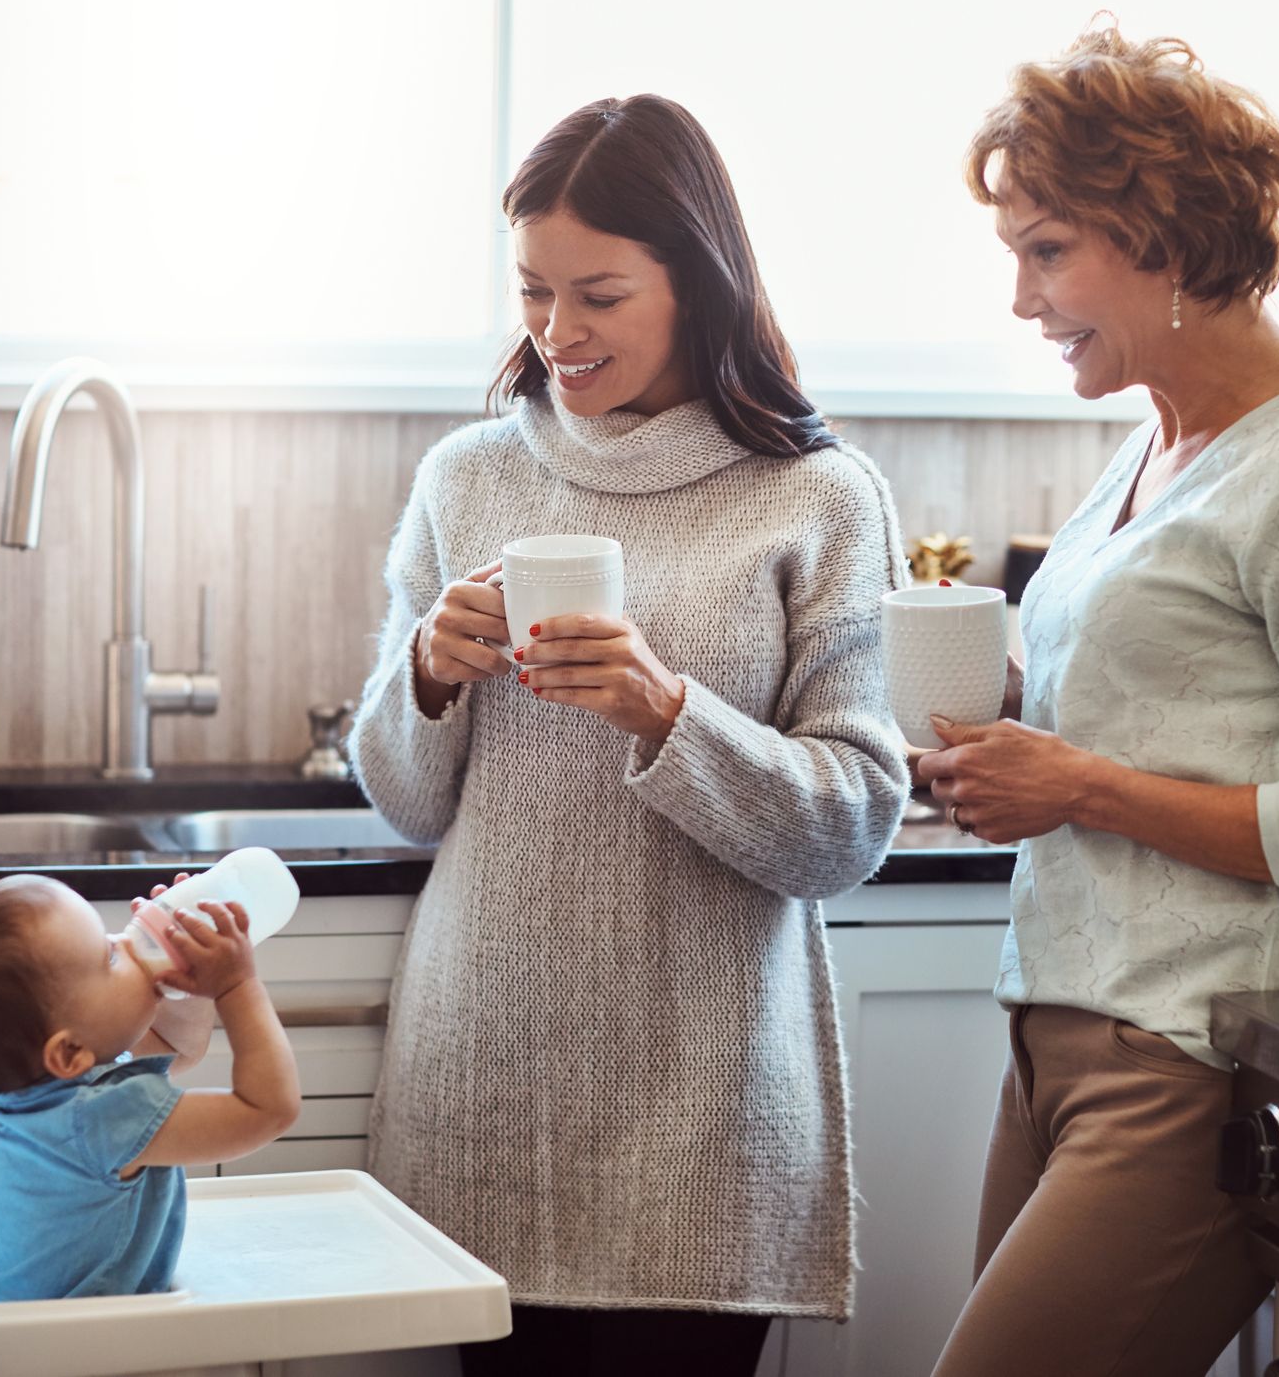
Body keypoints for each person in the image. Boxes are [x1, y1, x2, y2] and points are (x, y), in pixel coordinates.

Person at [346, 94, 908, 1377]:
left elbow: (853, 823)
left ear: (699, 282)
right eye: (535, 291)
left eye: (599, 293)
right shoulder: (467, 478)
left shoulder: (819, 497)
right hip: (483, 1087)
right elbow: (403, 800)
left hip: (704, 1115)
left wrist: (668, 710)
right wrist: (430, 670)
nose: (558, 332)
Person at [916, 29, 1279, 1377]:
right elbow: (1162, 704)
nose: (1025, 300)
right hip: (1057, 1027)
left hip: (1191, 1056)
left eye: (1046, 251)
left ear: (1159, 235)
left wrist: (1077, 785)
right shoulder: (1155, 434)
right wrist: (1007, 742)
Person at [0, 873, 300, 1305]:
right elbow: (268, 1109)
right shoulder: (95, 1120)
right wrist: (237, 986)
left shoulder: (39, 1086)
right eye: (109, 958)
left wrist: (188, 978)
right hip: (39, 1347)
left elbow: (178, 1049)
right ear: (67, 1052)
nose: (127, 942)